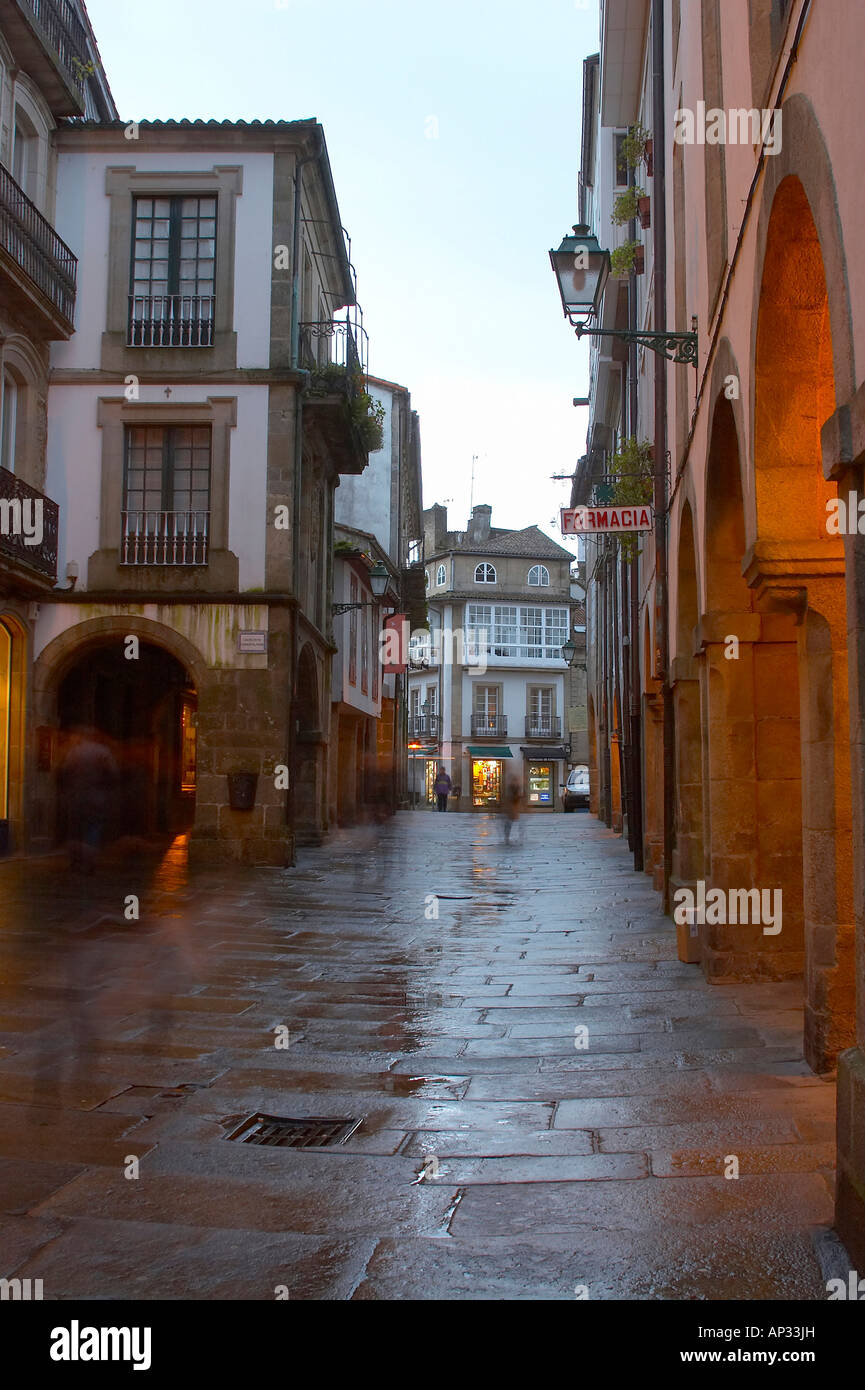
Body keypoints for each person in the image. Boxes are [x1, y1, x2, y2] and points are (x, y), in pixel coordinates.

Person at [502, 777, 522, 844]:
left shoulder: (517, 788)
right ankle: (507, 837)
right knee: (508, 823)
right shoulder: (511, 788)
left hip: (513, 809)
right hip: (511, 809)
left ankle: (509, 837)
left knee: (511, 824)